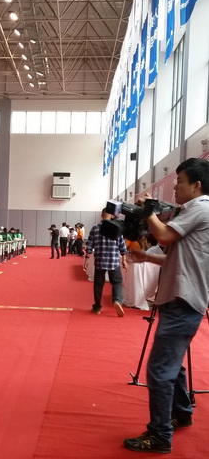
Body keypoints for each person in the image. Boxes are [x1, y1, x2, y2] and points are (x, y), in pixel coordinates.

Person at [123, 158, 209, 454]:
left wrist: (148, 211)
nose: (175, 187)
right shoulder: (195, 210)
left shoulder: (200, 208)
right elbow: (177, 256)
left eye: (180, 181)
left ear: (197, 185)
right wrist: (146, 256)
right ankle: (181, 413)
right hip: (181, 297)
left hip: (183, 299)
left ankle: (159, 435)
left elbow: (163, 235)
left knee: (160, 369)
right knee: (173, 364)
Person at [84, 208, 127, 316]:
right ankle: (117, 300)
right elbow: (122, 246)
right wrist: (124, 259)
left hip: (100, 261)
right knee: (117, 282)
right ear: (112, 216)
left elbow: (89, 245)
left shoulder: (95, 228)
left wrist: (87, 259)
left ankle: (97, 307)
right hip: (114, 261)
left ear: (101, 215)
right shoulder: (117, 228)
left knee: (98, 284)